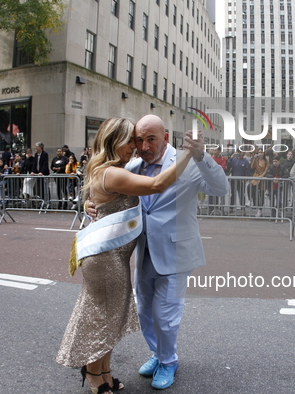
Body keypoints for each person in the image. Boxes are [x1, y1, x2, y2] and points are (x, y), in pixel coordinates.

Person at [87, 115, 228, 390]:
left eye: (151, 139)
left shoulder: (187, 162)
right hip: (142, 251)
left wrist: (201, 156)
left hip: (176, 251)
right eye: (138, 139)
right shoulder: (134, 165)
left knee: (165, 313)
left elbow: (221, 188)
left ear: (165, 138)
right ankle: (157, 354)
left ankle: (168, 361)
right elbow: (102, 190)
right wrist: (87, 206)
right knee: (145, 313)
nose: (143, 145)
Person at [56, 117, 196, 394]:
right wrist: (187, 155)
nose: (136, 146)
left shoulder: (114, 169)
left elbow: (102, 199)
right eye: (131, 140)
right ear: (115, 142)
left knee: (110, 319)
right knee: (102, 320)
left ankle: (105, 371)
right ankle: (94, 375)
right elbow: (156, 185)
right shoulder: (112, 172)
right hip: (106, 260)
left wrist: (90, 203)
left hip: (115, 258)